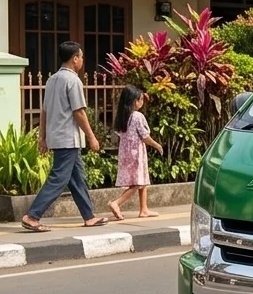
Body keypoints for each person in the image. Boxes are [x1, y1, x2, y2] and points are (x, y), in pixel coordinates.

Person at [22, 42, 108, 232]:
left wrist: (42, 138)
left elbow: (44, 111)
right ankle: (32, 216)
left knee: (77, 179)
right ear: (74, 59)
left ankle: (89, 216)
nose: (83, 60)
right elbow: (79, 112)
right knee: (59, 178)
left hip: (57, 137)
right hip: (68, 138)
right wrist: (92, 137)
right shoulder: (73, 80)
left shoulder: (52, 80)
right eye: (81, 57)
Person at [108, 86, 164, 220]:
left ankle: (144, 209)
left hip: (125, 152)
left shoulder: (122, 116)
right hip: (136, 153)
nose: (142, 102)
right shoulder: (138, 116)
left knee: (142, 179)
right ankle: (116, 203)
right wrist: (157, 145)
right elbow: (144, 136)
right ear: (134, 101)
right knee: (137, 182)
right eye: (140, 100)